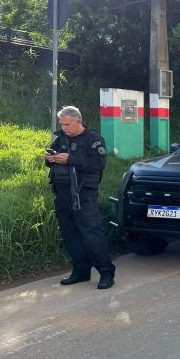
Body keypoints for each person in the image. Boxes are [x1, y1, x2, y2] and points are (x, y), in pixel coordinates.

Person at [45, 106, 116, 290]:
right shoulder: (61, 138)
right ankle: (81, 271)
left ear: (78, 122)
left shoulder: (94, 139)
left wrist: (70, 159)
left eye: (67, 124)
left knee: (91, 233)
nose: (64, 128)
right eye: (62, 124)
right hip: (62, 193)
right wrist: (50, 158)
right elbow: (51, 159)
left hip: (84, 194)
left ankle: (106, 272)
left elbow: (98, 164)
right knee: (70, 234)